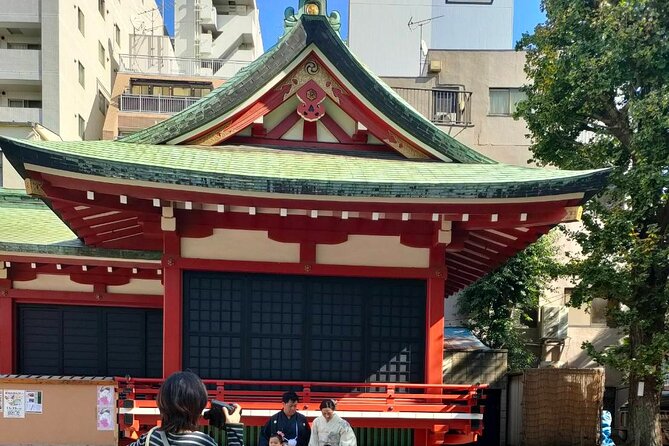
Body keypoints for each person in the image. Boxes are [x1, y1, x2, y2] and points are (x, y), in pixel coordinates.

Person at [127, 371, 245, 446]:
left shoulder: (150, 437)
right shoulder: (202, 442)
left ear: (162, 404)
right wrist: (234, 429)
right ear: (199, 407)